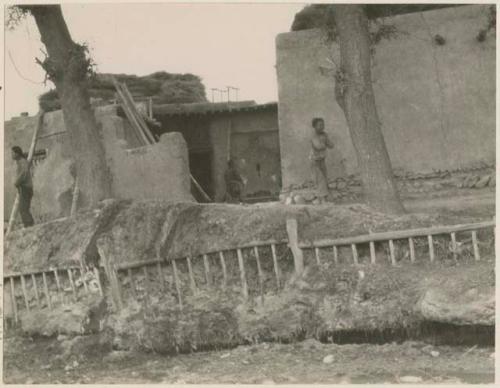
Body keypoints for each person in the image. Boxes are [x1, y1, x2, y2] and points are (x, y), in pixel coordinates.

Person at [310, 118, 333, 203]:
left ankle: (321, 199)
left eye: (323, 125)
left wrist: (326, 142)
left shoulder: (324, 134)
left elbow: (331, 145)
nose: (322, 127)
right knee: (320, 179)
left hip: (322, 159)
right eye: (320, 125)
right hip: (314, 160)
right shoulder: (313, 135)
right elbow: (318, 146)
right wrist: (325, 143)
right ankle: (323, 200)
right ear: (315, 126)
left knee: (324, 178)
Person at [11, 146, 34, 227]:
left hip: (26, 188)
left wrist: (16, 182)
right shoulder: (20, 162)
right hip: (24, 188)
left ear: (17, 153)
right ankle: (29, 225)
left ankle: (29, 225)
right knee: (24, 208)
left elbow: (24, 174)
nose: (12, 155)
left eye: (13, 153)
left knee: (23, 208)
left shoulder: (22, 162)